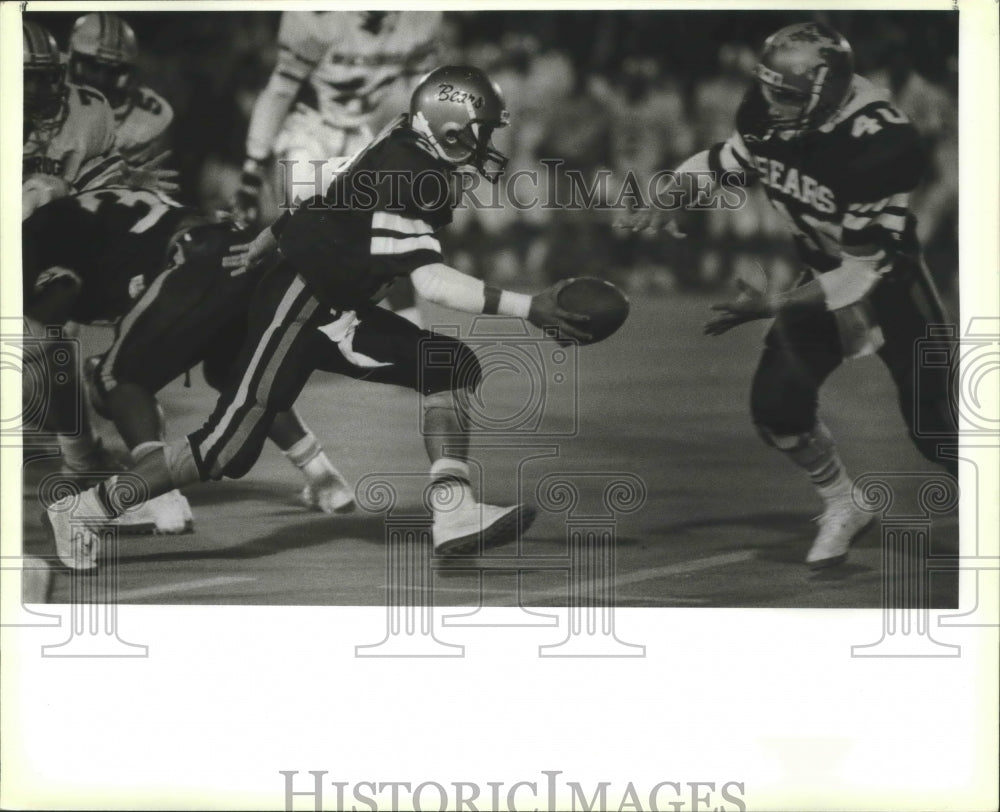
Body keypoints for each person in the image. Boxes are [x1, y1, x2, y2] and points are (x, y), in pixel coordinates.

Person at [43, 65, 592, 571]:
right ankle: (84, 508)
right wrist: (531, 308)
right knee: (225, 449)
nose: (489, 142)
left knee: (446, 364)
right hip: (300, 303)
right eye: (482, 130)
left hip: (336, 303)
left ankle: (453, 509)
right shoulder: (413, 171)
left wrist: (271, 235)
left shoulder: (404, 141)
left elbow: (333, 192)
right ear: (449, 128)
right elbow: (430, 282)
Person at [624, 22, 958, 568]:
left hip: (890, 281)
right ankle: (845, 502)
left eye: (788, 94)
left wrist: (773, 305)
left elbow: (857, 276)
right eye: (770, 89)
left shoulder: (881, 142)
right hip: (824, 269)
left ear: (826, 91)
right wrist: (674, 192)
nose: (771, 103)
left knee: (937, 429)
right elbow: (722, 162)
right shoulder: (769, 112)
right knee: (777, 408)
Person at [24, 186, 354, 536]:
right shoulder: (79, 210)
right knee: (233, 372)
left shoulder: (31, 236)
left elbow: (55, 309)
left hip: (189, 262)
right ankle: (324, 477)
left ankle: (158, 496)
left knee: (113, 378)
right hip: (239, 251)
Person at [232, 10, 443, 324]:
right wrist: (253, 168)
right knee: (305, 239)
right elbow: (280, 91)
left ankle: (411, 327)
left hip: (361, 134)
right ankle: (279, 328)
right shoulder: (317, 17)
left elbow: (425, 92)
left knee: (393, 233)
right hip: (309, 131)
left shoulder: (418, 19)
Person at [67, 12, 173, 167]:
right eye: (93, 68)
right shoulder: (47, 86)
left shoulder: (150, 114)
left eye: (113, 71)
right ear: (72, 59)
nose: (101, 79)